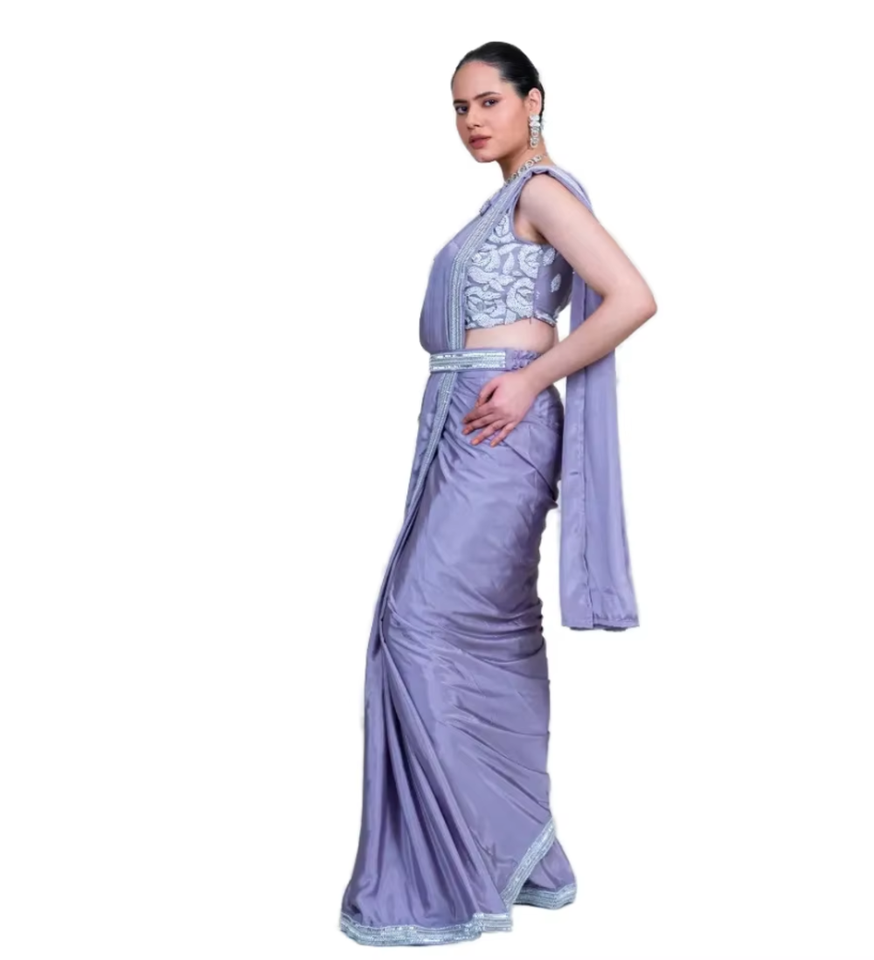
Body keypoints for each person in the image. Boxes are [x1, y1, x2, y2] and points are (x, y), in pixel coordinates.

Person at [338, 41, 657, 947]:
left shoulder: (544, 192)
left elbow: (632, 297)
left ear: (532, 101)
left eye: (488, 101)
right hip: (462, 423)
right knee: (472, 631)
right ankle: (515, 856)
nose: (473, 120)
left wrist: (528, 380)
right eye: (460, 107)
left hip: (501, 429)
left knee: (420, 624)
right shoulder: (499, 204)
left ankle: (466, 862)